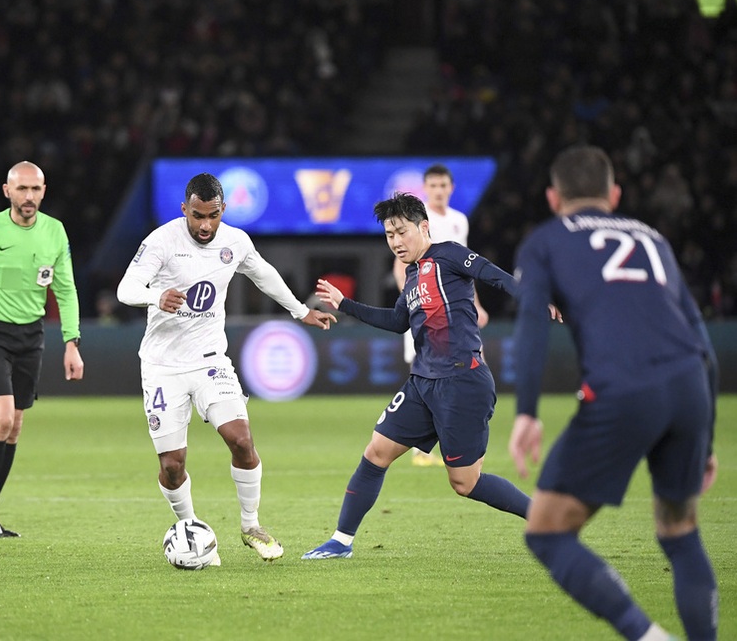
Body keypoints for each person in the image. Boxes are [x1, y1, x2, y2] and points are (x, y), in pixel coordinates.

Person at [510, 146, 718, 640]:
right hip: (689, 386)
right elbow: (700, 336)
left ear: (553, 197)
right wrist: (705, 437)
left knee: (547, 531)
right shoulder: (654, 238)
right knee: (681, 531)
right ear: (615, 194)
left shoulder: (546, 240)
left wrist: (527, 412)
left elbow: (532, 323)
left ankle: (647, 636)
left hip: (623, 389)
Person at [117, 172, 336, 562]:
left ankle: (251, 525)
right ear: (185, 208)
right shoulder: (161, 240)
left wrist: (301, 311)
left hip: (210, 360)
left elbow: (263, 274)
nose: (205, 225)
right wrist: (155, 296)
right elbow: (126, 288)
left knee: (241, 439)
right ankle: (191, 528)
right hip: (162, 365)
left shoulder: (236, 241)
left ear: (223, 210)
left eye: (213, 216)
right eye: (197, 216)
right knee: (172, 466)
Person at [303, 192, 532, 560]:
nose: (395, 241)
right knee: (376, 451)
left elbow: (493, 275)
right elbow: (396, 323)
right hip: (422, 383)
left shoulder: (449, 255)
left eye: (401, 232)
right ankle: (340, 541)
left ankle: (544, 518)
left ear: (423, 227)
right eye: (389, 235)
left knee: (465, 483)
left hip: (462, 381)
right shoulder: (411, 277)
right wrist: (344, 304)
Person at [0, 160, 84, 538]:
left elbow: (66, 289)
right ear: (7, 191)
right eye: (21, 189)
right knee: (2, 419)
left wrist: (71, 343)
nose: (29, 197)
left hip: (31, 336)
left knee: (15, 427)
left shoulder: (54, 232)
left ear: (44, 191)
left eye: (35, 189)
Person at [392, 164, 488, 467]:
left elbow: (466, 269)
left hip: (455, 311)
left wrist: (478, 305)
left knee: (472, 361)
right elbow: (401, 266)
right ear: (426, 189)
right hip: (424, 308)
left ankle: (459, 436)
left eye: (443, 185)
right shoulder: (418, 220)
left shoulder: (460, 221)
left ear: (451, 188)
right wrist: (413, 301)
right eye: (433, 186)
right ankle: (422, 446)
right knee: (423, 369)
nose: (438, 191)